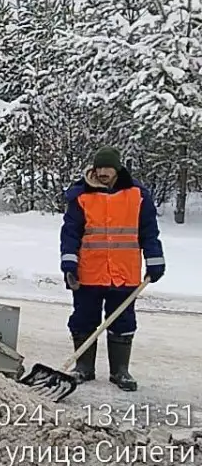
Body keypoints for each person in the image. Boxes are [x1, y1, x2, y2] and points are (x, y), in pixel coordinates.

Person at [59, 146, 164, 391]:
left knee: (123, 320)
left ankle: (120, 371)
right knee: (83, 318)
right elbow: (70, 232)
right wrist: (69, 263)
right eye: (99, 168)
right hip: (89, 271)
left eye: (108, 168)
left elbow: (149, 231)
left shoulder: (137, 195)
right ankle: (84, 368)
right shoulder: (81, 196)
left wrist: (155, 259)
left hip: (124, 272)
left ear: (117, 169)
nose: (103, 173)